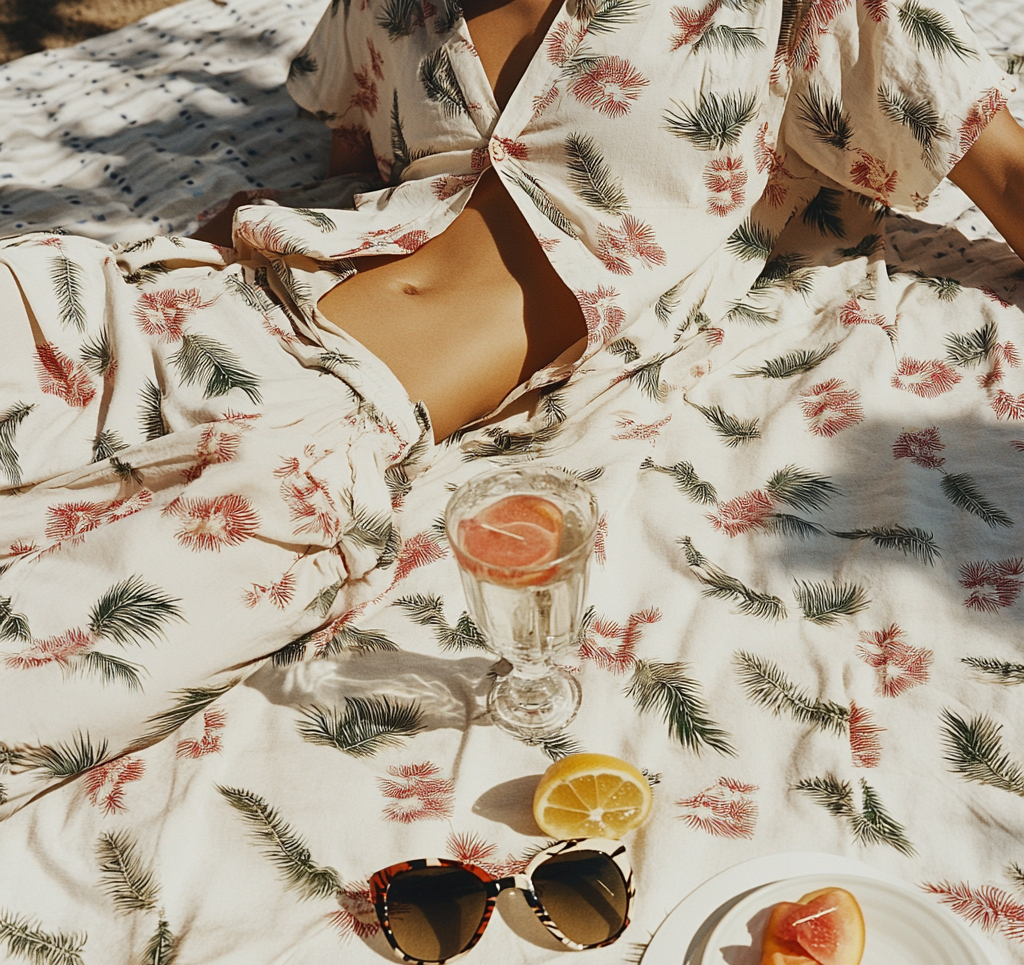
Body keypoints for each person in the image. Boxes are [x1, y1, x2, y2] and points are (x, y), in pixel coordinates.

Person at [0, 0, 1021, 816]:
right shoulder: (394, 10)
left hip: (321, 433)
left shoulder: (799, 16)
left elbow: (1008, 174)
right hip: (157, 306)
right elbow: (348, 152)